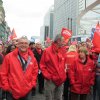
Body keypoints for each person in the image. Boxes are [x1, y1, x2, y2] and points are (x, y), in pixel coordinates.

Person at [40, 34, 67, 100]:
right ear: (58, 41)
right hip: (51, 80)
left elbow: (64, 64)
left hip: (60, 80)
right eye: (63, 41)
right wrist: (48, 76)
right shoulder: (47, 51)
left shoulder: (63, 50)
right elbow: (42, 65)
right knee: (49, 98)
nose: (64, 42)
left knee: (58, 98)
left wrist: (63, 75)